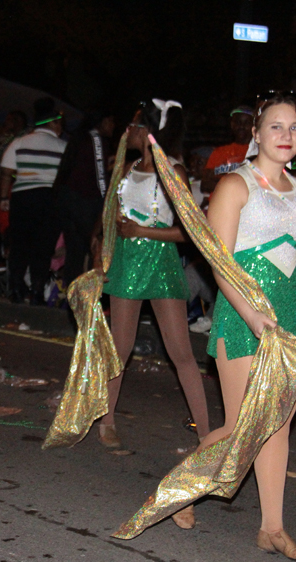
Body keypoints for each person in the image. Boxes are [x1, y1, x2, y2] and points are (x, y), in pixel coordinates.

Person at [186, 93, 296, 559]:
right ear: (257, 134)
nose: (286, 136)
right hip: (243, 315)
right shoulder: (234, 187)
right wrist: (251, 316)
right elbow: (219, 265)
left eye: (295, 128)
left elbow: (294, 254)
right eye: (277, 127)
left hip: (290, 317)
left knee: (278, 424)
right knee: (245, 424)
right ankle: (184, 484)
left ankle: (272, 529)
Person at [94, 100, 209, 449]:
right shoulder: (126, 169)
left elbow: (190, 231)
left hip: (160, 262)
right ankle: (107, 420)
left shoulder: (173, 171)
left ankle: (207, 435)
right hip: (127, 262)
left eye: (133, 126)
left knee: (181, 353)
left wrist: (142, 232)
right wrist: (102, 255)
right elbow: (108, 218)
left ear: (147, 131)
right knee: (119, 348)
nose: (126, 132)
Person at [0, 97, 67, 304]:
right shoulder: (64, 146)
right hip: (50, 199)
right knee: (43, 247)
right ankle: (37, 291)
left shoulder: (19, 142)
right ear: (53, 124)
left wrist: (3, 197)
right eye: (59, 124)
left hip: (24, 198)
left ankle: (16, 289)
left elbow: (6, 172)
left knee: (20, 244)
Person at [53, 110, 115, 287]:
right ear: (101, 121)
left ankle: (71, 295)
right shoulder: (95, 139)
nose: (113, 126)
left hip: (71, 201)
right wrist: (106, 203)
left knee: (76, 250)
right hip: (83, 202)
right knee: (97, 247)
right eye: (111, 121)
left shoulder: (81, 138)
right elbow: (99, 176)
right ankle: (96, 295)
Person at [200, 106, 253, 199]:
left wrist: (219, 181)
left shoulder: (258, 152)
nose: (241, 126)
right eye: (238, 122)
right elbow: (205, 185)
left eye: (246, 123)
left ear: (254, 126)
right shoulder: (219, 152)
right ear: (232, 124)